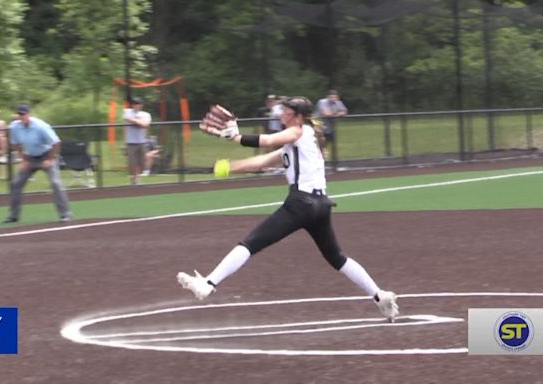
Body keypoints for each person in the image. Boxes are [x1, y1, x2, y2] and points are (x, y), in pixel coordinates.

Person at [177, 97, 399, 322]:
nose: (282, 113)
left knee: (250, 244)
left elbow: (267, 140)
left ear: (298, 116)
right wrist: (228, 167)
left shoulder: (298, 132)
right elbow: (262, 161)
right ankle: (380, 296)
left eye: (287, 111)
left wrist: (236, 136)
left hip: (301, 204)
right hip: (320, 207)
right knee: (337, 258)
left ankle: (208, 284)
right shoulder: (297, 142)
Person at [3, 104, 71, 223]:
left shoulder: (40, 126)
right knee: (15, 183)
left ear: (29, 114)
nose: (21, 117)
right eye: (19, 114)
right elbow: (15, 144)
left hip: (46, 155)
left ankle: (65, 214)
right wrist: (23, 159)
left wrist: (49, 159)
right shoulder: (15, 127)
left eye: (23, 114)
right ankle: (13, 215)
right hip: (30, 158)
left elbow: (56, 143)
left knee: (55, 183)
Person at [122, 97, 152, 184]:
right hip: (131, 142)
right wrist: (139, 122)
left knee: (142, 162)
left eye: (138, 103)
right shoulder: (127, 111)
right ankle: (136, 179)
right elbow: (128, 119)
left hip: (142, 141)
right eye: (134, 103)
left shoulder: (146, 114)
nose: (136, 105)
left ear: (141, 105)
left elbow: (145, 124)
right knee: (132, 162)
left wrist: (135, 121)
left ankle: (136, 177)